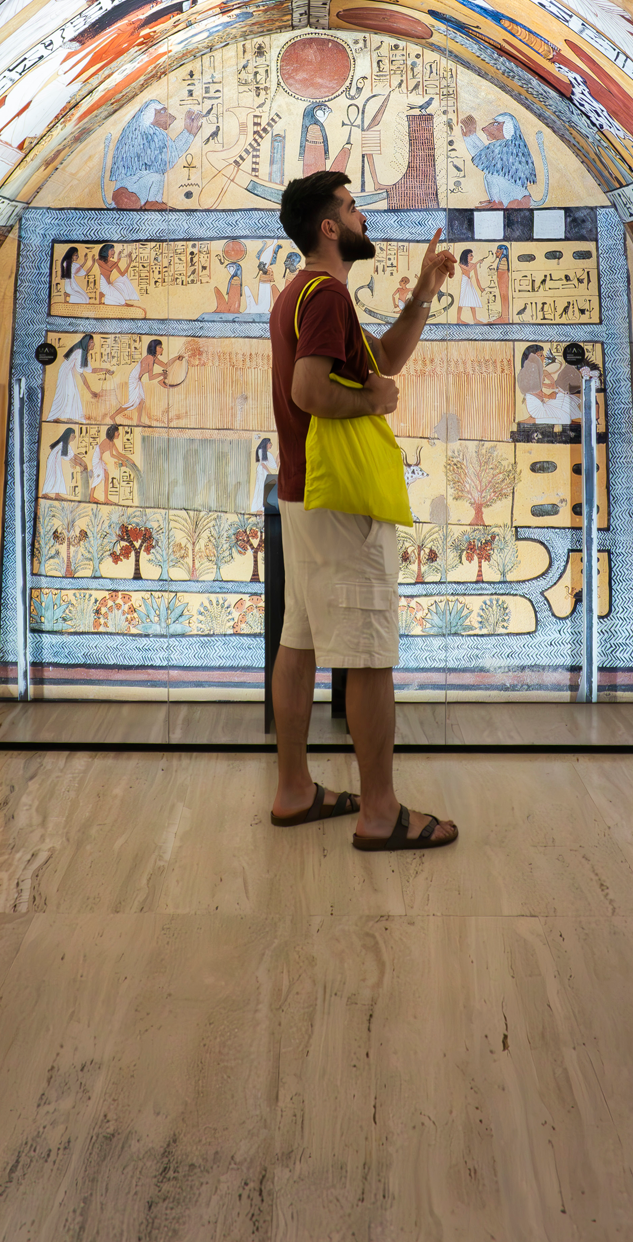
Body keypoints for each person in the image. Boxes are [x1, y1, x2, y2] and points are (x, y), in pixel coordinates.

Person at [268, 170, 459, 849]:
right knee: (370, 655)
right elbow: (311, 390)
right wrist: (371, 403)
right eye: (352, 208)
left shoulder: (305, 293)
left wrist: (424, 294)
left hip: (307, 494)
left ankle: (294, 790)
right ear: (329, 226)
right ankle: (380, 813)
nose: (363, 217)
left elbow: (382, 359)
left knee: (299, 642)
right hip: (343, 498)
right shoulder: (325, 295)